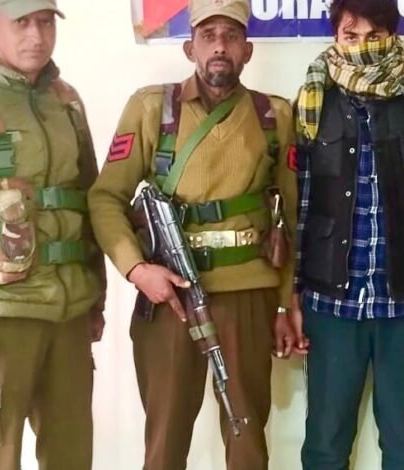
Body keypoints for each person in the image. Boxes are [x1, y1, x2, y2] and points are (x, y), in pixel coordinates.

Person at [87, 0, 297, 468]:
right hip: (170, 298)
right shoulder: (152, 108)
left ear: (247, 50)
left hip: (247, 294)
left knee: (247, 439)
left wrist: (286, 304)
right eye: (208, 35)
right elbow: (105, 198)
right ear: (189, 48)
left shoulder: (274, 116)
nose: (220, 46)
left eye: (231, 36)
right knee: (165, 439)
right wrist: (138, 270)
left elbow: (293, 216)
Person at [0, 1, 107, 469]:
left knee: (72, 458)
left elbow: (88, 203)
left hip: (68, 317)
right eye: (22, 23)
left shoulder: (66, 101)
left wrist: (96, 299)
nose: (36, 35)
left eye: (46, 22)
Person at [291, 0, 404, 468]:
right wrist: (292, 298)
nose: (362, 46)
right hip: (330, 305)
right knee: (325, 445)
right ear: (335, 36)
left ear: (392, 35)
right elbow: (298, 205)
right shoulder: (313, 98)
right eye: (351, 36)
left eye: (374, 36)